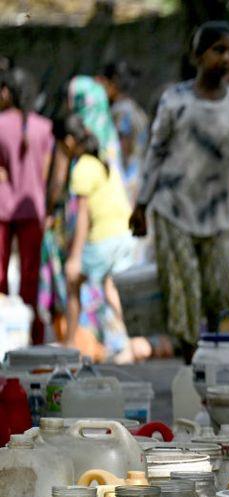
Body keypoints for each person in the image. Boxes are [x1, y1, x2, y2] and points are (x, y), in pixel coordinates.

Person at [130, 21, 229, 362]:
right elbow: (156, 151)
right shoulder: (176, 101)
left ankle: (219, 363)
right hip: (174, 208)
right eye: (219, 50)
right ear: (198, 56)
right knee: (184, 292)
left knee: (219, 293)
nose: (227, 58)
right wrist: (142, 205)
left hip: (216, 213)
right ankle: (191, 365)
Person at [54, 115, 135, 348]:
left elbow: (82, 215)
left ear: (68, 142)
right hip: (122, 234)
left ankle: (70, 344)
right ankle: (132, 341)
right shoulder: (101, 161)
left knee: (72, 282)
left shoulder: (82, 168)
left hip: (103, 239)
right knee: (111, 289)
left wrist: (75, 257)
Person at [0, 68, 53, 344]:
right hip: (33, 208)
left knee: (0, 274)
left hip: (3, 209)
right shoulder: (44, 127)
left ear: (7, 92)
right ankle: (32, 336)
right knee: (30, 276)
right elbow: (46, 175)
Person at [100, 62, 149, 203]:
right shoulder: (138, 111)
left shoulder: (121, 112)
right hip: (138, 179)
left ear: (112, 84)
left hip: (125, 182)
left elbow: (123, 149)